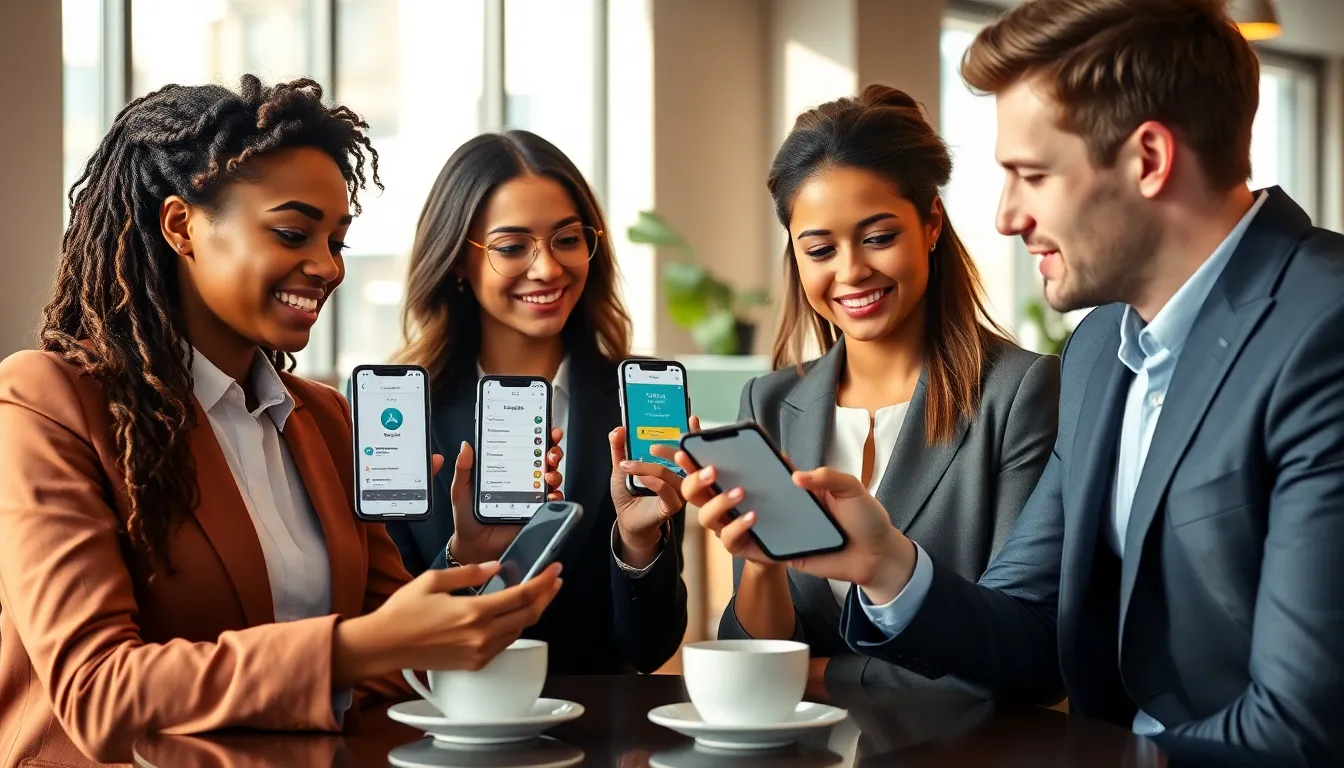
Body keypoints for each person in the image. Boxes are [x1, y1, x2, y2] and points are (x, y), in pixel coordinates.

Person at [680, 0, 1344, 763]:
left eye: (1031, 174)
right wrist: (886, 564)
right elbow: (1032, 641)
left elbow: (1302, 727)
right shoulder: (1101, 351)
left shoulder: (1324, 329)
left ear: (1151, 159)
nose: (1002, 216)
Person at [0, 76, 561, 767]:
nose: (326, 266)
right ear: (182, 226)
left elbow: (392, 669)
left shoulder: (325, 420)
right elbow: (99, 693)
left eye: (338, 241)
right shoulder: (49, 402)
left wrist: (465, 562)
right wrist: (359, 647)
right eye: (293, 232)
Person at [710, 85, 1059, 689]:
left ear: (930, 225)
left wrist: (823, 675)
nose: (851, 272)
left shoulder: (1018, 392)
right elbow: (760, 664)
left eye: (878, 237)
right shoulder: (768, 404)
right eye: (820, 249)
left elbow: (1014, 648)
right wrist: (760, 568)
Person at [387, 130, 691, 675]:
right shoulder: (404, 413)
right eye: (511, 247)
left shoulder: (638, 405)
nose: (548, 268)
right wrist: (464, 559)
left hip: (597, 738)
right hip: (445, 733)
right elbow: (384, 633)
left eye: (567, 239)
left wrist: (638, 543)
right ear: (458, 260)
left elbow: (650, 649)